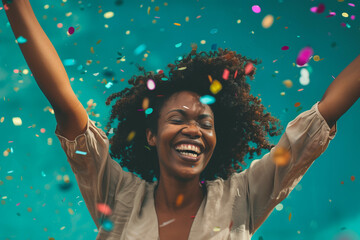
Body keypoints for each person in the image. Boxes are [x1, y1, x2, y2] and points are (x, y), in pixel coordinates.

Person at [3, 0, 359, 239]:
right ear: (152, 135)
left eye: (206, 123)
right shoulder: (117, 194)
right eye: (178, 119)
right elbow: (66, 106)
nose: (194, 130)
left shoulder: (243, 196)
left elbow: (325, 113)